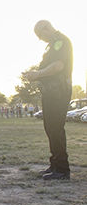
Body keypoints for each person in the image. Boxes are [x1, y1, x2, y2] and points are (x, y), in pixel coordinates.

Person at [25, 20, 73, 180]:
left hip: (58, 91)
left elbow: (58, 66)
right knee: (50, 128)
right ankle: (55, 164)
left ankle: (62, 169)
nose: (41, 39)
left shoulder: (61, 42)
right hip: (51, 91)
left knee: (55, 128)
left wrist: (37, 74)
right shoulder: (53, 44)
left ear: (46, 28)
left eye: (40, 35)